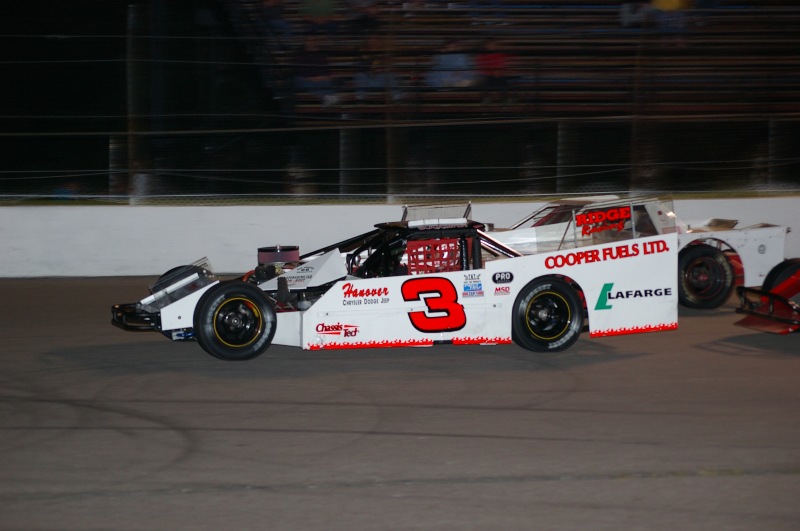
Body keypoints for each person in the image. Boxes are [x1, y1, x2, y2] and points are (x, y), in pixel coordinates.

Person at [294, 36, 339, 105]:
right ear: (305, 42)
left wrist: (324, 77)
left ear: (316, 42)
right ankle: (329, 100)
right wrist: (313, 78)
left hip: (321, 77)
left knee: (327, 81)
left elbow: (325, 68)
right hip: (304, 78)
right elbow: (299, 70)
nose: (311, 42)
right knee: (307, 82)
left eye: (313, 40)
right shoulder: (299, 54)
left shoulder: (321, 54)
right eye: (309, 40)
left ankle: (329, 101)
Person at [475, 39, 511, 103]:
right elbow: (481, 67)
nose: (492, 46)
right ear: (486, 46)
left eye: (494, 45)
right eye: (490, 45)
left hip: (498, 75)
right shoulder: (481, 55)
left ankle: (504, 99)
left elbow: (502, 64)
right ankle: (485, 99)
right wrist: (491, 72)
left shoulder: (499, 54)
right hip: (487, 75)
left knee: (503, 81)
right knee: (484, 81)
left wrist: (498, 72)